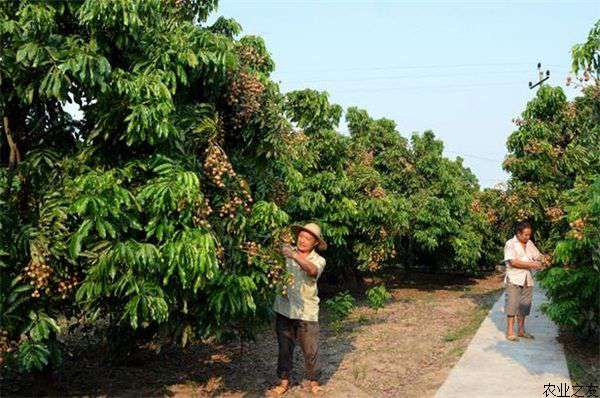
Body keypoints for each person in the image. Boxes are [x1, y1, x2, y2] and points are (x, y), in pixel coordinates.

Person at [268, 223, 327, 396]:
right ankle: (284, 381)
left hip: (306, 311)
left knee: (310, 350)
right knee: (284, 348)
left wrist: (293, 255)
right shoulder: (286, 252)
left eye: (308, 238)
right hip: (284, 308)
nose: (303, 240)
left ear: (315, 243)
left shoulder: (318, 260)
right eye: (301, 236)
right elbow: (271, 256)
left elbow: (312, 270)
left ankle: (313, 381)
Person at [502, 221, 545, 341]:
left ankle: (521, 330)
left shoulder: (529, 243)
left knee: (525, 305)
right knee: (512, 305)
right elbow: (513, 262)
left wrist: (545, 259)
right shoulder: (510, 244)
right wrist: (532, 264)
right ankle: (510, 331)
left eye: (529, 235)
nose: (527, 237)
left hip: (527, 279)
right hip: (514, 278)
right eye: (525, 235)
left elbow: (537, 255)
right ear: (518, 233)